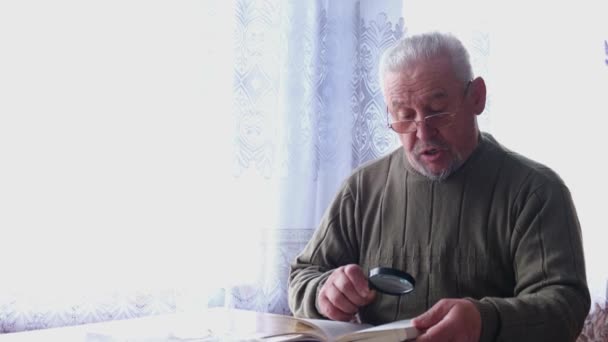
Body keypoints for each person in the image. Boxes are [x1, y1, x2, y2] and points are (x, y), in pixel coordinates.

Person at [287, 32, 590, 342]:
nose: (423, 131)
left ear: (477, 97)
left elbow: (565, 306)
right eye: (404, 116)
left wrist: (486, 322)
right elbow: (302, 277)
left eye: (437, 111)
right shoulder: (362, 190)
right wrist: (324, 292)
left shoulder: (535, 192)